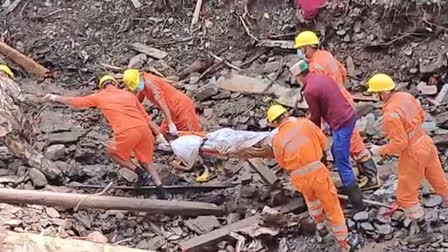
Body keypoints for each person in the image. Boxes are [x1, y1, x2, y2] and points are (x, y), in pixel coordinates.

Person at [43, 75, 170, 199]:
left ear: (102, 87)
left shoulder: (100, 96)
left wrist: (54, 97)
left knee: (112, 152)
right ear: (115, 84)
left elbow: (76, 102)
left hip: (127, 131)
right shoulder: (129, 95)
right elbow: (147, 118)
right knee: (146, 162)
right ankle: (163, 193)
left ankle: (140, 173)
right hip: (144, 130)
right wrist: (159, 135)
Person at [367, 73, 448, 242]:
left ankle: (426, 231)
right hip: (425, 142)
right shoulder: (406, 96)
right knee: (440, 183)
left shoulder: (390, 114)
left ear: (383, 93)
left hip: (413, 152)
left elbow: (400, 144)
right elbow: (422, 116)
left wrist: (378, 150)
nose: (374, 96)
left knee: (405, 195)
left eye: (375, 93)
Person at [295, 31, 380, 190]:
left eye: (301, 48)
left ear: (307, 47)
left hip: (335, 106)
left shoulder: (314, 67)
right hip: (344, 98)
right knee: (352, 139)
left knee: (353, 143)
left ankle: (371, 176)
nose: (300, 52)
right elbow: (343, 71)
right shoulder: (326, 56)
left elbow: (317, 92)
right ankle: (366, 174)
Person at [268, 104, 351, 252]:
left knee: (311, 200)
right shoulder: (305, 123)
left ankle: (320, 226)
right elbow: (323, 141)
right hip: (316, 171)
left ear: (273, 123)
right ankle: (343, 243)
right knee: (331, 205)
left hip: (298, 177)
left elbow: (282, 163)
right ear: (286, 114)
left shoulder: (276, 140)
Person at [289, 60, 365, 211]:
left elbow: (316, 117)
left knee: (341, 161)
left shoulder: (310, 90)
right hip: (347, 115)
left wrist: (312, 136)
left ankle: (357, 202)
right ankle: (351, 191)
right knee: (338, 155)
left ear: (298, 76)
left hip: (341, 123)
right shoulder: (321, 77)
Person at [122, 69, 201, 136]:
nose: (137, 87)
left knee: (192, 135)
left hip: (182, 108)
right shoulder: (142, 84)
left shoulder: (150, 84)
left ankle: (205, 151)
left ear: (139, 76)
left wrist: (170, 122)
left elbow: (162, 103)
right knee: (163, 132)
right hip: (171, 111)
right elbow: (139, 97)